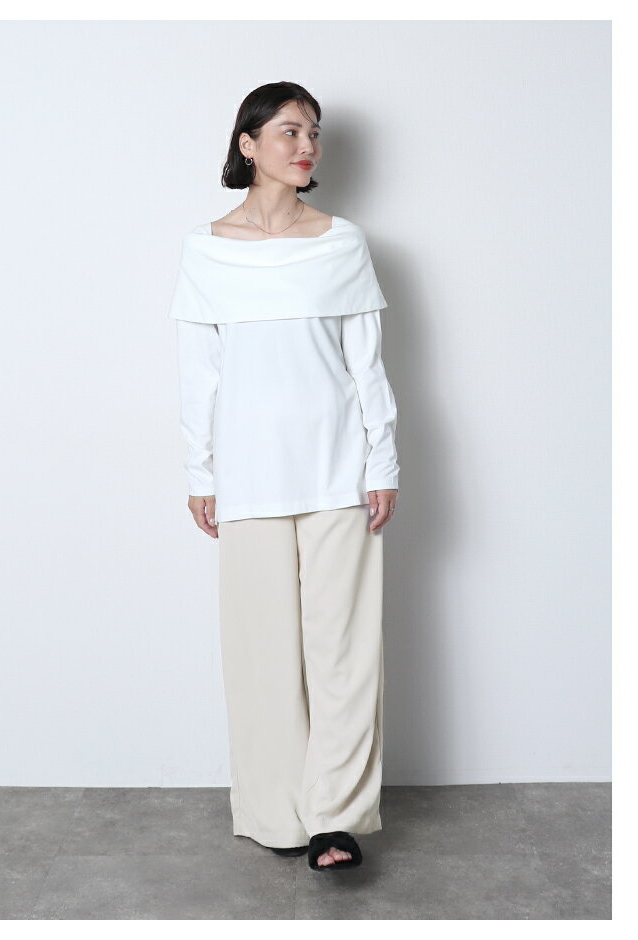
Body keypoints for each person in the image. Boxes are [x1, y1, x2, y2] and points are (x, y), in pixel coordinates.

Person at [168, 82, 400, 873]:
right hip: (248, 475)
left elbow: (367, 365)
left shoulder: (342, 242)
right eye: (290, 131)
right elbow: (199, 375)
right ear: (248, 143)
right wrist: (201, 472)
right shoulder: (206, 249)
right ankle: (275, 814)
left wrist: (383, 461)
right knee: (260, 654)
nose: (307, 146)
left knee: (344, 652)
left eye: (314, 133)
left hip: (339, 470)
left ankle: (335, 818)